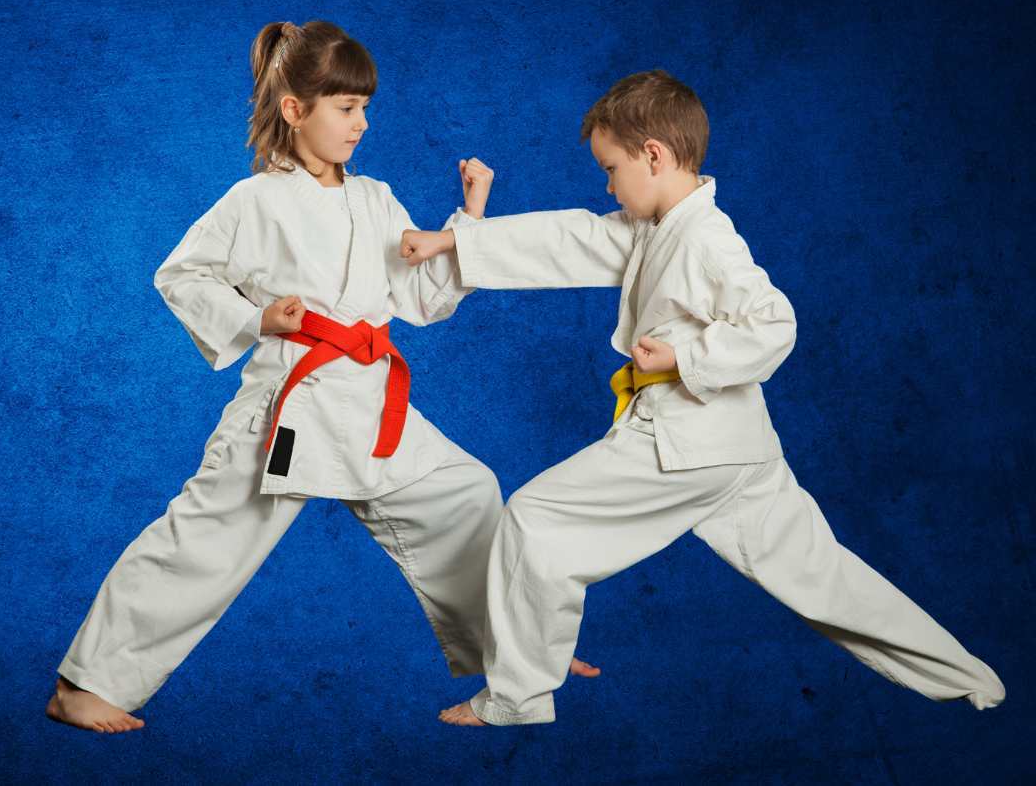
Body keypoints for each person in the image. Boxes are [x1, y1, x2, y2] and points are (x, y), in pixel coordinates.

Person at [400, 70, 1007, 726]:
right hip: (739, 448)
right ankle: (968, 678)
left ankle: (514, 699)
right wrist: (455, 240)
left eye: (610, 168)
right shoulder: (656, 227)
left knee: (533, 520)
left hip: (686, 442)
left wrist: (684, 357)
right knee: (821, 576)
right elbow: (568, 239)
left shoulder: (706, 239)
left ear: (652, 156)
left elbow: (775, 323)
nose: (605, 185)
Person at [45, 20, 513, 734]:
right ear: (295, 109)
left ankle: (513, 651)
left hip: (367, 395)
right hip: (288, 408)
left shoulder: (376, 199)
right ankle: (86, 684)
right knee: (206, 540)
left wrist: (469, 217)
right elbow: (181, 275)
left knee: (465, 491)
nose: (362, 122)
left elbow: (420, 298)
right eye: (345, 107)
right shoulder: (254, 200)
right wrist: (259, 320)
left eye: (364, 106)